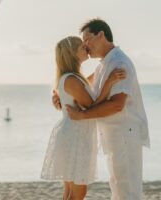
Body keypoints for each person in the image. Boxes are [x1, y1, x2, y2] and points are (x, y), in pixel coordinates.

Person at [42, 35, 126, 200]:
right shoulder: (72, 80)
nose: (86, 47)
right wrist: (108, 83)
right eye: (81, 47)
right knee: (78, 192)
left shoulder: (71, 78)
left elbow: (84, 87)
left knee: (69, 192)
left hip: (74, 135)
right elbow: (92, 105)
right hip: (76, 137)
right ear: (73, 54)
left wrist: (102, 72)